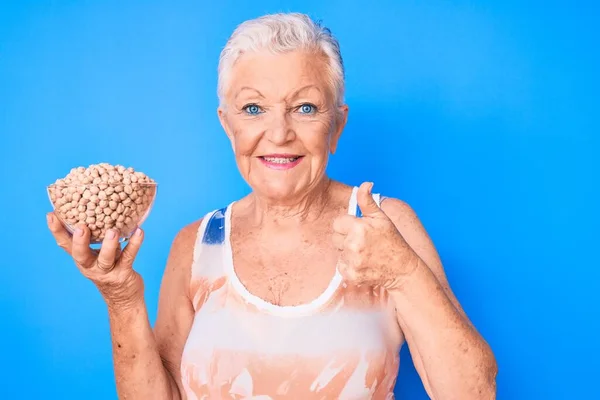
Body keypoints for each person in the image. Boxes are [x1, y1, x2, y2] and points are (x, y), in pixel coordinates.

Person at [47, 12, 497, 400]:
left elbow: (474, 392)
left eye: (304, 108)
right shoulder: (197, 246)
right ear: (228, 126)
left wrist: (403, 272)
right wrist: (121, 298)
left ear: (336, 125)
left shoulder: (384, 226)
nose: (278, 133)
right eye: (253, 108)